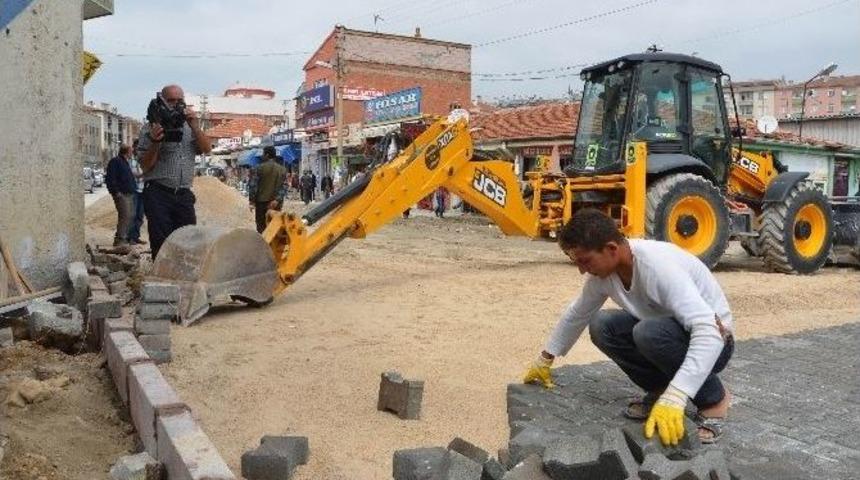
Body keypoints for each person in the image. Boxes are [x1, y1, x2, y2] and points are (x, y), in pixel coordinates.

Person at [523, 209, 734, 447]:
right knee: (602, 325)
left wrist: (678, 396)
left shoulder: (658, 268)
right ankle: (660, 390)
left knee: (648, 333)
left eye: (585, 261)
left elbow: (708, 331)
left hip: (716, 342)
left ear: (612, 249)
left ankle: (714, 401)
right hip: (664, 333)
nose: (582, 270)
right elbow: (578, 313)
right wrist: (546, 357)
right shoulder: (603, 275)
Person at [136, 84, 211, 258]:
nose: (176, 105)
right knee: (161, 244)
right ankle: (161, 280)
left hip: (183, 194)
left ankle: (182, 280)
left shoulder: (189, 128)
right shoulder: (150, 128)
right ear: (162, 101)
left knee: (188, 242)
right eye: (171, 101)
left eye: (180, 101)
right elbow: (146, 166)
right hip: (158, 194)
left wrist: (195, 127)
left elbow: (207, 149)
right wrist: (155, 142)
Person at [248, 146, 287, 233]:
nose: (262, 156)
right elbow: (284, 187)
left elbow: (253, 186)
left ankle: (263, 245)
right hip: (276, 205)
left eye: (263, 154)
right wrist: (277, 200)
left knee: (262, 227)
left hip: (261, 203)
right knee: (274, 227)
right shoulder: (282, 170)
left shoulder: (258, 168)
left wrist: (251, 201)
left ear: (267, 155)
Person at [105, 145, 137, 247]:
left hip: (129, 194)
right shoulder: (116, 161)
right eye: (131, 151)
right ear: (126, 151)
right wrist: (116, 192)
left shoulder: (125, 162)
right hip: (122, 195)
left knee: (131, 216)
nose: (132, 152)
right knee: (125, 216)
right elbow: (110, 178)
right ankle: (119, 240)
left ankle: (125, 238)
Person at [126, 140, 146, 245]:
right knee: (132, 215)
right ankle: (130, 238)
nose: (138, 150)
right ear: (133, 148)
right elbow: (131, 173)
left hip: (143, 190)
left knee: (140, 216)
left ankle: (136, 236)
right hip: (134, 191)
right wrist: (142, 175)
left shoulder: (144, 159)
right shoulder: (129, 160)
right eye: (137, 147)